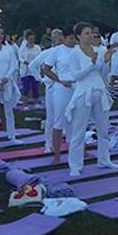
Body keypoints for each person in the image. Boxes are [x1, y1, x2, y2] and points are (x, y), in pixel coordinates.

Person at [65, 23, 118, 177]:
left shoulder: (98, 51)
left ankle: (104, 159)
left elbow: (102, 73)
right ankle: (75, 165)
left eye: (91, 33)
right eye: (87, 33)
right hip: (84, 93)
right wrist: (92, 63)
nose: (90, 36)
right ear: (79, 36)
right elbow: (76, 76)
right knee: (79, 130)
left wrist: (106, 61)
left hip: (99, 91)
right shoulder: (74, 54)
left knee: (103, 129)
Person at [42, 28, 77, 165]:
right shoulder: (57, 51)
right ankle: (56, 155)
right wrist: (59, 80)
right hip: (61, 89)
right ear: (65, 38)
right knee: (59, 121)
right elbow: (46, 69)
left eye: (75, 38)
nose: (73, 41)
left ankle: (79, 150)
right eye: (70, 38)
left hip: (77, 87)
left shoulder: (79, 50)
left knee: (77, 120)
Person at [29, 29, 63, 154]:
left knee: (68, 116)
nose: (58, 38)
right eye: (55, 36)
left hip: (66, 87)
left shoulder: (68, 52)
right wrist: (41, 79)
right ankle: (48, 145)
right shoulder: (47, 53)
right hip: (52, 88)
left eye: (60, 36)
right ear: (52, 39)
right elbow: (32, 66)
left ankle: (67, 141)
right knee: (51, 117)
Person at [18, 30, 42, 104]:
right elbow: (20, 57)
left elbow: (40, 57)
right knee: (26, 86)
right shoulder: (23, 48)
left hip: (35, 70)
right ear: (27, 39)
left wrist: (36, 64)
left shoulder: (37, 48)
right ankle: (25, 99)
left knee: (35, 86)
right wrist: (25, 62)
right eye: (30, 39)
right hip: (26, 70)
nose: (32, 40)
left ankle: (36, 99)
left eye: (33, 39)